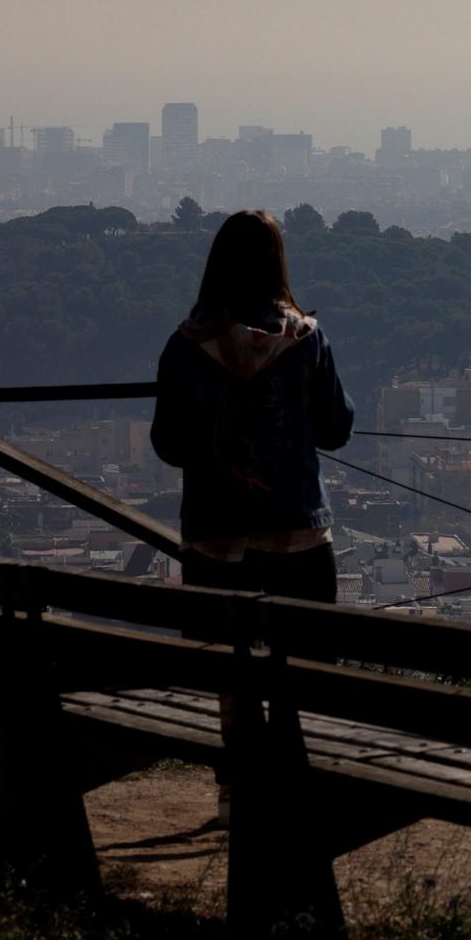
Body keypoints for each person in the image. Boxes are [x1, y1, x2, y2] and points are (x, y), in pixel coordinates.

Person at [152, 208, 355, 823]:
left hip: (216, 536)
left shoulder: (186, 346)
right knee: (307, 667)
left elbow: (168, 444)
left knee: (230, 674)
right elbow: (338, 428)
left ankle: (236, 792)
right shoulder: (306, 339)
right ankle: (301, 789)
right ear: (278, 263)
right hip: (296, 528)